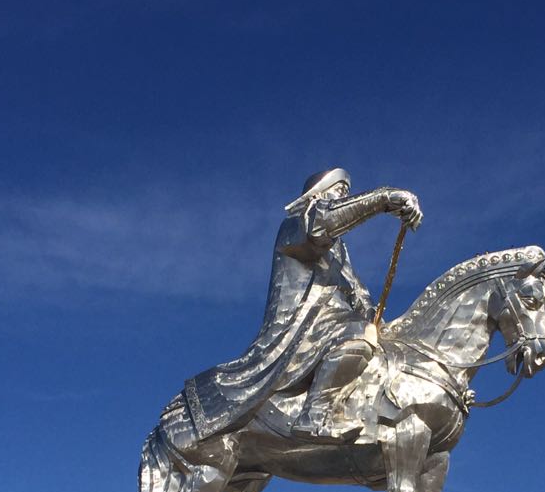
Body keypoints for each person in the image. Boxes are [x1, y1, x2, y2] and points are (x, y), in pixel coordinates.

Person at [181, 169, 423, 444]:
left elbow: (356, 289)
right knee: (358, 336)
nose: (343, 198)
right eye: (339, 192)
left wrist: (370, 311)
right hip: (302, 329)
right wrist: (384, 198)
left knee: (379, 343)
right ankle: (315, 416)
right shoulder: (299, 222)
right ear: (317, 193)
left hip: (330, 325)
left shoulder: (338, 251)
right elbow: (324, 223)